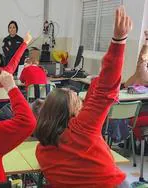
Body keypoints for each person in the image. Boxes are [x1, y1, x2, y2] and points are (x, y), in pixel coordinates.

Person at [35, 6, 132, 188]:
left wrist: (99, 78)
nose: (81, 103)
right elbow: (104, 92)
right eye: (77, 101)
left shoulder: (41, 151)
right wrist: (119, 41)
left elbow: (97, 94)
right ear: (71, 114)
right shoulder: (82, 130)